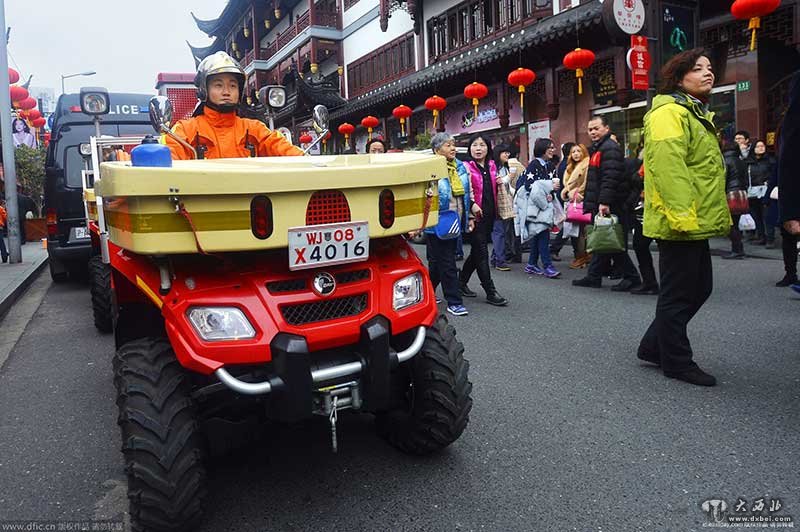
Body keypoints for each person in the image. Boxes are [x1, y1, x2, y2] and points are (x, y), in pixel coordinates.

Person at [637, 48, 731, 387]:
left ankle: (653, 345)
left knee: (697, 288)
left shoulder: (693, 112)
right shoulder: (668, 113)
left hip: (693, 218)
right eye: (698, 68)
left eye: (710, 68)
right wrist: (680, 215)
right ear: (679, 77)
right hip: (680, 221)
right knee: (680, 293)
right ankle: (676, 360)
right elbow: (668, 169)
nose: (708, 73)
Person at [165, 51, 303, 160]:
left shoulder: (255, 129)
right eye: (218, 85)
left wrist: (312, 163)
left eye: (232, 85)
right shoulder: (184, 130)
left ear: (240, 90)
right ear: (203, 89)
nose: (226, 92)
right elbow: (167, 166)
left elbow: (286, 151)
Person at [572, 115, 641, 291]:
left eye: (596, 128)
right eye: (590, 129)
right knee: (602, 240)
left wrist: (604, 202)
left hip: (611, 203)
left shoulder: (609, 148)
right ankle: (594, 276)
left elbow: (610, 178)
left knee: (612, 242)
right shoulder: (600, 148)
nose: (593, 132)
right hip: (604, 201)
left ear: (606, 129)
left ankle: (632, 278)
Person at [425, 132, 474, 316]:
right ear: (436, 150)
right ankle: (454, 301)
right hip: (437, 221)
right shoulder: (429, 168)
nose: (453, 148)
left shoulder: (460, 166)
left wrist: (469, 217)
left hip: (456, 219)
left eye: (453, 144)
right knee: (448, 262)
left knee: (439, 263)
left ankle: (426, 291)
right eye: (447, 145)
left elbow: (467, 192)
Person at [459, 133, 509, 306]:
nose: (478, 148)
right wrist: (472, 205)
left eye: (482, 145)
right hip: (474, 215)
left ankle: (460, 282)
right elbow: (463, 191)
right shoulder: (465, 166)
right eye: (474, 145)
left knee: (477, 252)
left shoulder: (492, 165)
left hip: (490, 215)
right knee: (482, 252)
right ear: (469, 148)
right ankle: (490, 291)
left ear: (488, 148)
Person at [515, 170, 561, 278]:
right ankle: (547, 266)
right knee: (543, 239)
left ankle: (531, 264)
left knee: (537, 237)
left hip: (534, 213)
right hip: (539, 213)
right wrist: (545, 204)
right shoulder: (538, 173)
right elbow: (536, 194)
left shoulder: (543, 170)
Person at [628, 162, 659, 295]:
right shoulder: (648, 160)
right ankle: (649, 282)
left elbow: (638, 179)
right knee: (640, 245)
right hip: (645, 207)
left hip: (655, 206)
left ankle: (651, 283)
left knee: (642, 245)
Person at [562, 143, 590, 269]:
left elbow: (586, 183)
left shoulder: (586, 165)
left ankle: (584, 256)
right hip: (573, 201)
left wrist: (575, 193)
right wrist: (568, 192)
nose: (576, 154)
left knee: (584, 231)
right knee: (576, 231)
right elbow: (567, 185)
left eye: (579, 151)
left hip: (583, 200)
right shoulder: (570, 167)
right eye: (573, 152)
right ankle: (581, 256)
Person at [743, 139, 773, 245]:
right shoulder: (748, 162)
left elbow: (773, 175)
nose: (761, 148)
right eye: (758, 146)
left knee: (767, 216)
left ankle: (770, 238)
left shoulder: (769, 160)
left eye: (762, 146)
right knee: (756, 215)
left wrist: (768, 182)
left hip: (766, 191)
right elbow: (745, 177)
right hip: (752, 192)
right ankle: (761, 236)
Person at [721, 139, 748, 260]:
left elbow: (723, 179)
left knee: (731, 224)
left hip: (731, 193)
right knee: (736, 223)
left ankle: (736, 250)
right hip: (741, 192)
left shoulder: (726, 161)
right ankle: (739, 249)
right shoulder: (741, 161)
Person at [491, 144, 515, 271]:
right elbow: (497, 182)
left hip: (506, 202)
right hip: (497, 203)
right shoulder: (494, 167)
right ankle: (499, 260)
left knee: (502, 231)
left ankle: (496, 257)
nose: (507, 155)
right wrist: (508, 178)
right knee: (499, 232)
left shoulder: (505, 167)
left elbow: (507, 186)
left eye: (508, 153)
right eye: (504, 152)